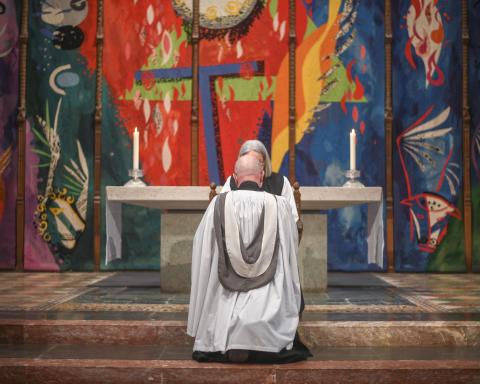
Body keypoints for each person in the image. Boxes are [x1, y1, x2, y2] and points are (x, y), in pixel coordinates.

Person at [187, 155, 311, 363]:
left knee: (220, 300)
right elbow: (290, 252)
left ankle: (227, 339)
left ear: (235, 177)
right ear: (261, 176)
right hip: (269, 299)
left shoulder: (218, 204)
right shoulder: (279, 205)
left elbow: (203, 250)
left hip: (225, 295)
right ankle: (264, 341)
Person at [222, 140, 299, 223]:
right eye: (249, 162)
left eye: (258, 163)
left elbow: (292, 217)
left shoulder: (280, 182)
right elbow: (221, 213)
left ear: (265, 163)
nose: (253, 166)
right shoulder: (232, 181)